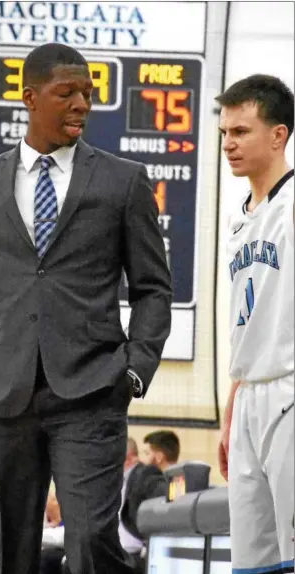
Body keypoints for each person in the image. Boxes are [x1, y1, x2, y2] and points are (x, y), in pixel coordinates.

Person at [0, 43, 172, 574]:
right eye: (67, 92)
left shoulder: (124, 181)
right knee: (7, 555)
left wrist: (135, 370)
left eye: (88, 92)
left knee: (92, 548)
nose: (81, 103)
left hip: (92, 391)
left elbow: (152, 288)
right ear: (30, 98)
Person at [216, 75, 294, 573]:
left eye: (241, 131)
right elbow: (248, 322)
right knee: (251, 563)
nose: (229, 144)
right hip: (248, 398)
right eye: (225, 132)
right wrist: (232, 404)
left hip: (289, 390)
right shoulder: (238, 218)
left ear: (278, 135)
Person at [41, 437, 167, 574]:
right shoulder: (106, 486)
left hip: (132, 555)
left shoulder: (144, 476)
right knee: (47, 558)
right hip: (106, 548)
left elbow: (162, 496)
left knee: (81, 564)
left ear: (127, 459)